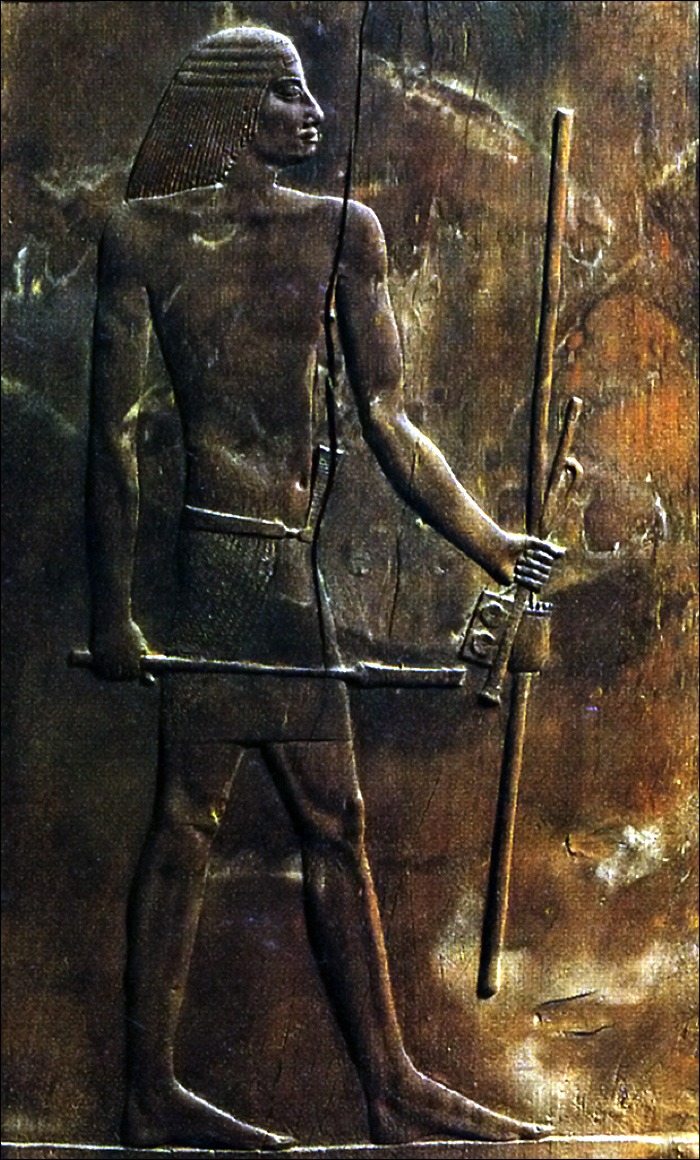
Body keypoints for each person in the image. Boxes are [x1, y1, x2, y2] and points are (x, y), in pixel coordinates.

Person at [88, 26, 562, 1150]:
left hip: (256, 565)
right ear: (235, 111)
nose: (313, 114)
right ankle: (353, 1088)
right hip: (233, 570)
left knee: (210, 822)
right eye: (288, 96)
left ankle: (306, 1086)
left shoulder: (341, 231)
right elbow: (112, 442)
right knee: (270, 822)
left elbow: (387, 417)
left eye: (310, 94)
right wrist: (111, 611)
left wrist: (492, 544)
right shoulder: (144, 233)